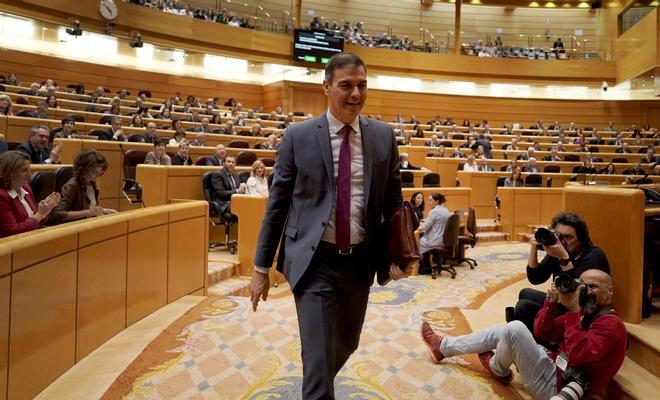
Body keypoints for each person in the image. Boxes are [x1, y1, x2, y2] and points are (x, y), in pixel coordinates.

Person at [249, 53, 407, 400]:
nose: (355, 94)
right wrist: (261, 267)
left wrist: (399, 253)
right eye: (346, 85)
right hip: (314, 259)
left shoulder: (383, 136)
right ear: (326, 87)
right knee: (319, 362)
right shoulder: (298, 136)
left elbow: (394, 202)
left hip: (360, 261)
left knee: (347, 342)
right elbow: (277, 205)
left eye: (362, 85)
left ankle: (318, 379)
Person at [421, 269, 626, 400]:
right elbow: (542, 332)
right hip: (552, 367)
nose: (586, 290)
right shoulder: (585, 313)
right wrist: (552, 303)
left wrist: (572, 312)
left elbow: (579, 355)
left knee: (515, 328)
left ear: (609, 292)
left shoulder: (610, 324)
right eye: (583, 285)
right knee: (503, 330)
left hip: (557, 388)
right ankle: (444, 347)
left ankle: (498, 369)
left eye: (593, 286)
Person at [513, 211, 610, 334]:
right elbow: (535, 278)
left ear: (581, 239)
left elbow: (580, 294)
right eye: (560, 236)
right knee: (525, 293)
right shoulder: (558, 251)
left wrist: (563, 257)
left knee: (523, 307)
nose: (563, 241)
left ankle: (545, 344)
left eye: (568, 237)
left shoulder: (593, 256)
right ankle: (528, 337)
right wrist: (534, 248)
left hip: (583, 311)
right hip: (563, 302)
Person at [0, 151, 60, 237]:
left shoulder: (26, 188)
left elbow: (35, 221)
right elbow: (13, 232)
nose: (29, 174)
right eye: (24, 170)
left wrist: (46, 210)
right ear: (9, 173)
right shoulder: (2, 196)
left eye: (29, 169)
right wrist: (40, 214)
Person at [49, 149, 117, 224]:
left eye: (99, 173)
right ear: (84, 169)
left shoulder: (92, 183)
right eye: (94, 172)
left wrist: (103, 210)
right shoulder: (72, 185)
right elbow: (59, 214)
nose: (97, 177)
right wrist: (88, 212)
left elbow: (91, 208)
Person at [416, 193, 451, 274]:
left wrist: (416, 227)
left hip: (435, 240)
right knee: (422, 240)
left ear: (437, 201)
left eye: (430, 200)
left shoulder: (434, 211)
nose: (428, 202)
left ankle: (424, 268)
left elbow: (425, 227)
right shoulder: (445, 210)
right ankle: (428, 265)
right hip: (444, 239)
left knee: (417, 243)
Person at [210, 155, 246, 221]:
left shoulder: (236, 175)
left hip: (235, 201)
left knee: (251, 205)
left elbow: (240, 189)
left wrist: (244, 187)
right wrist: (237, 191)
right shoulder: (217, 175)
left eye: (233, 162)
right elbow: (221, 193)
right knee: (244, 209)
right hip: (223, 203)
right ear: (223, 163)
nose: (231, 164)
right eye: (228, 162)